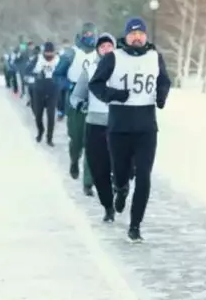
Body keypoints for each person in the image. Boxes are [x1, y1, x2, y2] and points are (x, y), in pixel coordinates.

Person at [89, 17, 172, 243]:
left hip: (146, 127)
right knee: (121, 172)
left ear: (146, 36)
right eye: (132, 33)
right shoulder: (113, 58)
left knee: (144, 176)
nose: (137, 37)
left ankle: (135, 225)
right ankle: (121, 188)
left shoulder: (155, 57)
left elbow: (164, 80)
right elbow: (95, 84)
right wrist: (114, 95)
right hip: (119, 127)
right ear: (126, 36)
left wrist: (161, 96)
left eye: (141, 33)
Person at [70, 33, 118, 222]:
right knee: (98, 169)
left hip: (118, 125)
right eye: (102, 47)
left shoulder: (123, 69)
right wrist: (81, 105)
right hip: (95, 124)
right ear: (98, 50)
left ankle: (120, 187)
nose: (106, 50)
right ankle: (108, 206)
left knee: (119, 165)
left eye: (109, 46)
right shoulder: (90, 70)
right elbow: (75, 96)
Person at [55, 23, 99, 196]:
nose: (90, 36)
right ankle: (74, 159)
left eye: (92, 33)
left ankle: (88, 182)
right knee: (77, 138)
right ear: (81, 35)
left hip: (94, 99)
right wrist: (69, 86)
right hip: (75, 100)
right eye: (87, 34)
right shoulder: (71, 53)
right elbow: (58, 74)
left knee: (92, 141)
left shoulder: (100, 53)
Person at [29, 42, 60, 146]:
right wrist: (36, 74)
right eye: (47, 52)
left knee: (51, 115)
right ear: (43, 52)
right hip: (39, 89)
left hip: (53, 90)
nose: (49, 55)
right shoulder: (38, 59)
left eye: (51, 52)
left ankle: (49, 138)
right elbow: (27, 70)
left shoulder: (58, 59)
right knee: (38, 114)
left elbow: (64, 73)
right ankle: (40, 130)